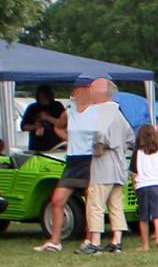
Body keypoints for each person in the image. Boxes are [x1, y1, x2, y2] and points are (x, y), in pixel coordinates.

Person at [34, 77, 93, 252]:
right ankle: (55, 241)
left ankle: (90, 239)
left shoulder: (96, 113)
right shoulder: (69, 112)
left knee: (91, 201)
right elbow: (58, 127)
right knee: (57, 200)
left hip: (89, 159)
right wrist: (69, 139)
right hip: (73, 160)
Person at [80, 79, 132, 255]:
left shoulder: (100, 113)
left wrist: (97, 148)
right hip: (119, 165)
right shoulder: (118, 113)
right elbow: (130, 137)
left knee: (95, 205)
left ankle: (95, 243)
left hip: (103, 167)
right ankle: (116, 242)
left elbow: (99, 135)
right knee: (116, 205)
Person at [132, 124, 158, 251]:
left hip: (142, 185)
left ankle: (145, 244)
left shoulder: (137, 153)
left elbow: (134, 173)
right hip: (157, 184)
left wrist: (134, 186)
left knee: (143, 217)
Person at [20, 83, 65, 152]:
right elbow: (24, 127)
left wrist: (47, 117)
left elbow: (63, 124)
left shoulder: (57, 106)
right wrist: (36, 126)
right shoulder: (32, 108)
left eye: (44, 96)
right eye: (40, 97)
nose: (42, 99)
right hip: (36, 145)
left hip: (54, 145)